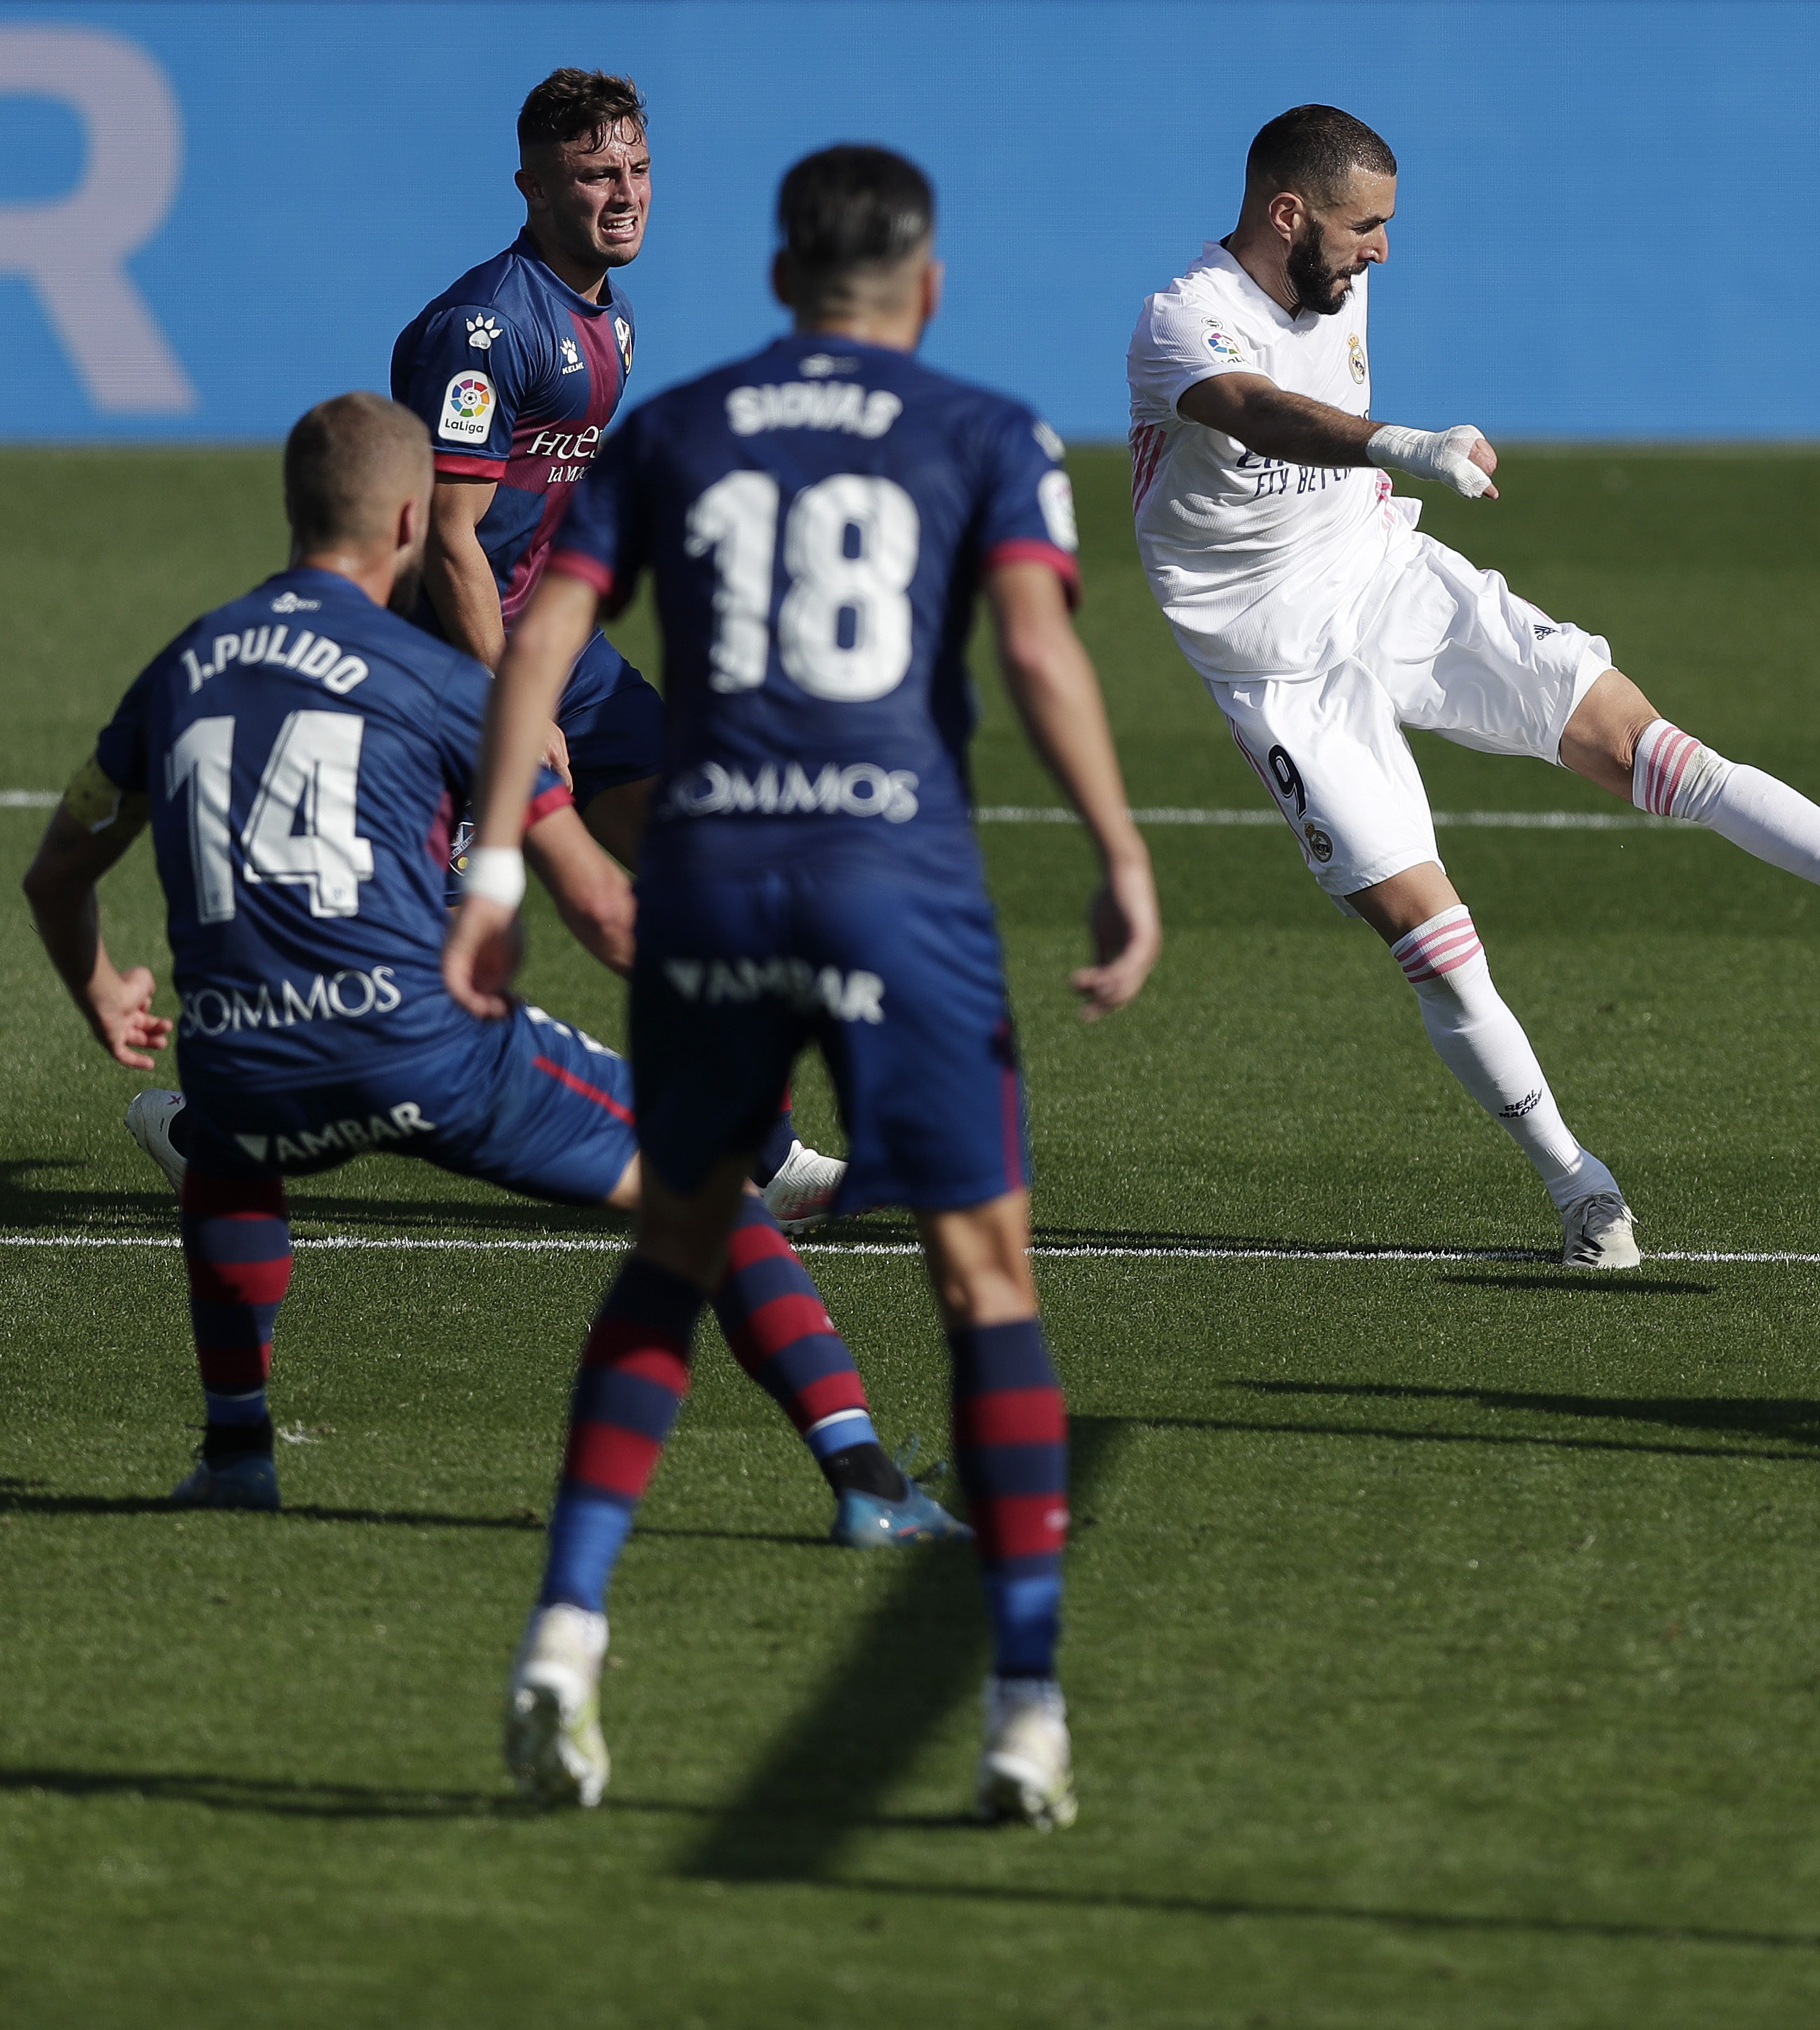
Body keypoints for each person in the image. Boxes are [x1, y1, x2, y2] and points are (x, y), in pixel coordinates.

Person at [443, 146, 1160, 1825]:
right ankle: (1024, 1710)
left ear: (780, 281)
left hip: (709, 879)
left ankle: (564, 1631)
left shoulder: (678, 425)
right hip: (895, 883)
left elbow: (542, 634)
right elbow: (1042, 652)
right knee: (985, 1285)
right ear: (923, 285)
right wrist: (1122, 855)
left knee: (676, 1250)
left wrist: (494, 868)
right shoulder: (984, 428)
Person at [16, 393, 960, 1546]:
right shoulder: (457, 687)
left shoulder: (183, 666)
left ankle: (236, 1456)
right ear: (415, 518)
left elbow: (54, 876)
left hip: (245, 1055)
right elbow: (604, 904)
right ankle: (867, 1479)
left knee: (222, 1139)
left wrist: (106, 985)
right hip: (425, 1047)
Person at [1125, 106, 1820, 1270]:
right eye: (1365, 228)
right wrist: (1403, 443)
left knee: (1658, 752)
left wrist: (1397, 469)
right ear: (1287, 214)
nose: (1382, 253)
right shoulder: (1181, 320)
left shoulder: (1337, 284)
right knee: (1435, 939)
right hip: (1278, 668)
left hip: (1391, 577)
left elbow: (1320, 395)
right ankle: (1578, 1185)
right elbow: (1254, 407)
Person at [388, 67, 841, 1224]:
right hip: (456, 660)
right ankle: (221, 1126)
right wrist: (509, 695)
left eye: (636, 169)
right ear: (533, 186)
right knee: (415, 969)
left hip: (559, 652)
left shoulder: (610, 314)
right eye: (594, 175)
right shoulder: (481, 331)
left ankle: (762, 1146)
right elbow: (448, 542)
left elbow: (540, 510)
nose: (623, 194)